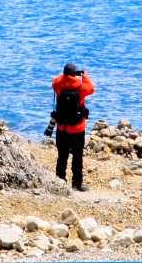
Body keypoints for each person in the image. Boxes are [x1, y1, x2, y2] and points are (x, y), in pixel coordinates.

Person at [50, 63, 95, 191]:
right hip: (78, 129)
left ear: (64, 73)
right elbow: (91, 88)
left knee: (62, 156)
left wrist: (64, 76)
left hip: (62, 128)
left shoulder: (58, 86)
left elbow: (54, 81)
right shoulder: (81, 87)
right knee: (77, 157)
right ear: (75, 74)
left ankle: (60, 182)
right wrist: (84, 76)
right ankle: (76, 184)